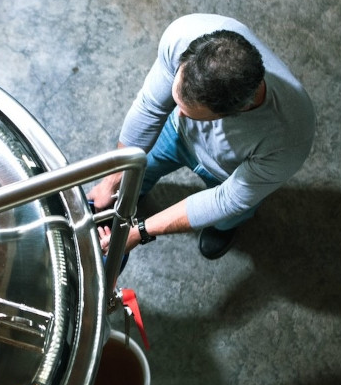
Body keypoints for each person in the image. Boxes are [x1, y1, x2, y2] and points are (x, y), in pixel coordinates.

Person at [87, 14, 315, 260]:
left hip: (228, 174)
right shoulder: (185, 35)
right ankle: (128, 193)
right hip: (175, 135)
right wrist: (113, 178)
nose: (179, 113)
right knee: (138, 173)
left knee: (228, 215)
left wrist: (140, 231)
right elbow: (151, 107)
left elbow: (227, 199)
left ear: (233, 112)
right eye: (177, 104)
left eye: (191, 113)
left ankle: (223, 229)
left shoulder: (288, 136)